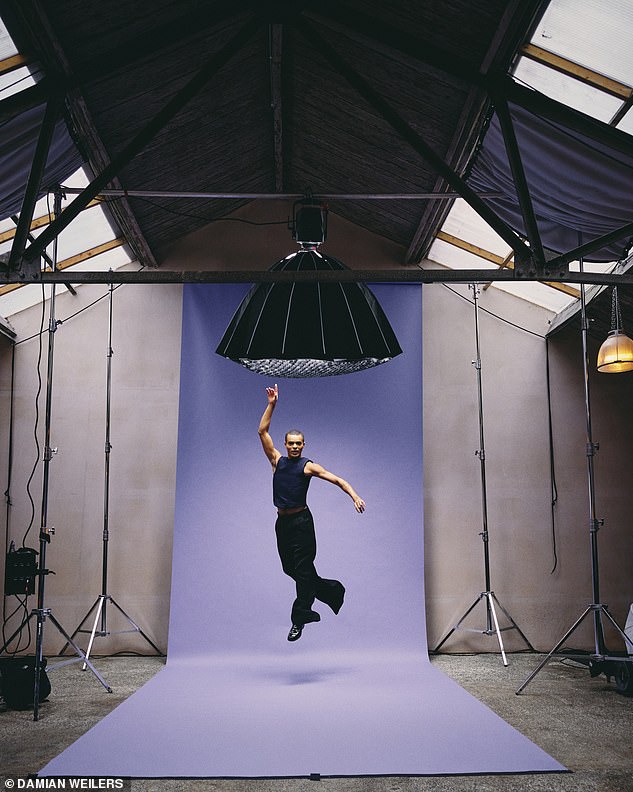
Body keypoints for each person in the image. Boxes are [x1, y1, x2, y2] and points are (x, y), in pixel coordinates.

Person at [258, 383, 365, 642]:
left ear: (304, 445)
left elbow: (338, 479)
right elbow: (262, 430)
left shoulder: (308, 467)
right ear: (285, 445)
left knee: (303, 571)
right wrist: (272, 404)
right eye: (291, 444)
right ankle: (332, 591)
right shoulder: (276, 461)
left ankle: (300, 616)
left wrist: (354, 495)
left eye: (298, 444)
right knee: (290, 569)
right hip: (282, 524)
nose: (294, 447)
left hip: (302, 523)